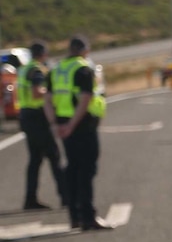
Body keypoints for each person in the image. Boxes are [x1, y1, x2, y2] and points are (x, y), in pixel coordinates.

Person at [43, 36, 112, 231]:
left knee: (72, 168)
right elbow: (85, 99)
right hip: (81, 125)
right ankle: (88, 217)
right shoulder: (83, 69)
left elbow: (47, 100)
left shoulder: (56, 70)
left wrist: (54, 124)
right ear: (85, 50)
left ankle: (74, 216)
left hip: (63, 124)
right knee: (87, 170)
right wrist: (73, 125)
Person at [18, 41, 66, 210]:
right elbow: (37, 92)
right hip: (37, 117)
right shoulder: (37, 70)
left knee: (35, 160)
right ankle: (66, 197)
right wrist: (51, 93)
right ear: (43, 54)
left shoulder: (25, 68)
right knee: (54, 156)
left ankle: (30, 199)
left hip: (26, 115)